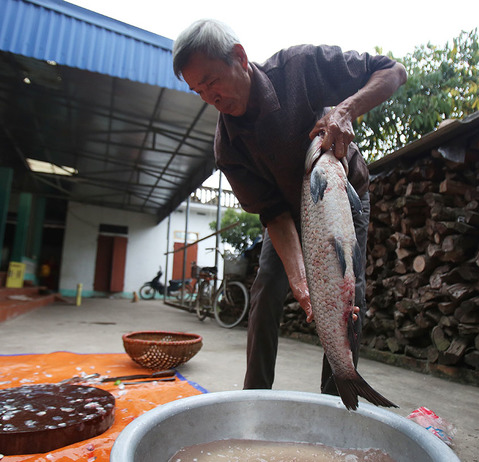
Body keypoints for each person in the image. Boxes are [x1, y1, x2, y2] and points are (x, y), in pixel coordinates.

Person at [172, 19, 406, 393]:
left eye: (212, 81)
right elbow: (275, 218)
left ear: (240, 57)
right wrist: (302, 282)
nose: (210, 97)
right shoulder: (227, 147)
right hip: (286, 214)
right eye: (198, 90)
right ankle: (255, 396)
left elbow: (392, 71)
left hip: (342, 199)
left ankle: (338, 395)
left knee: (347, 294)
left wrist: (345, 111)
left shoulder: (299, 67)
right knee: (267, 290)